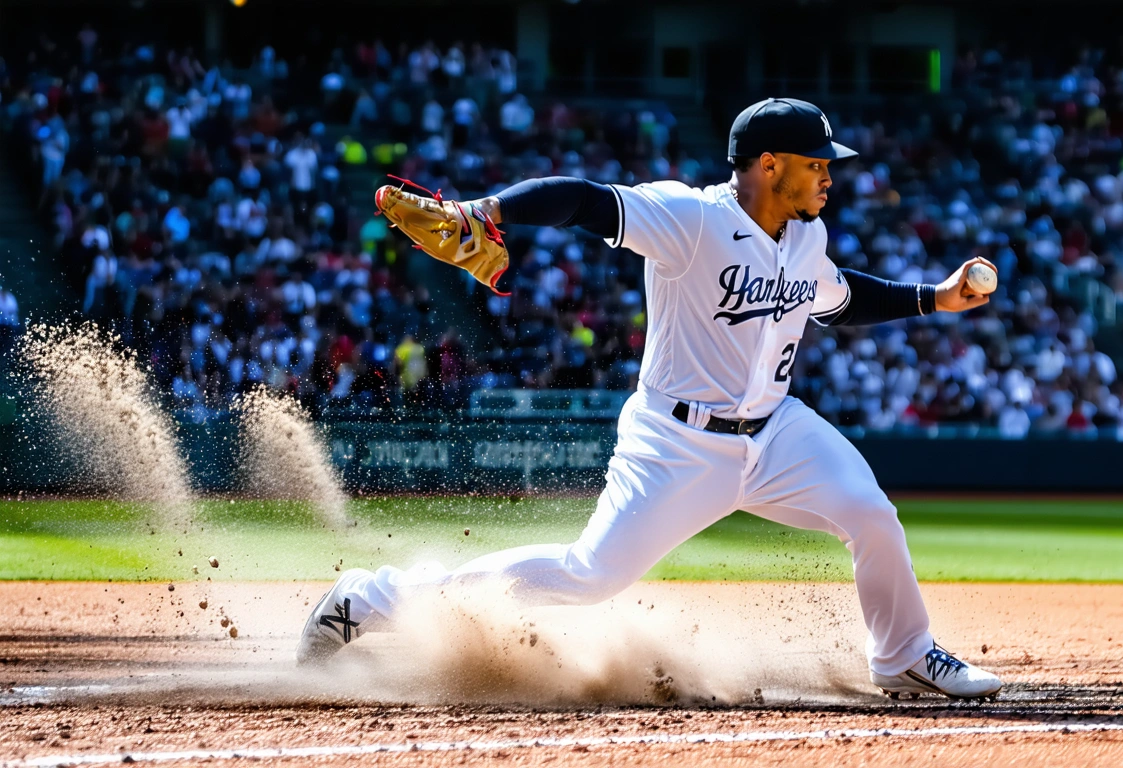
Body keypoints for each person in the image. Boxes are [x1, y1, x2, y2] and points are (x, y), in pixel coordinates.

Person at [297, 98, 1003, 700]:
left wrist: (934, 298)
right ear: (769, 166)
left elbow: (838, 298)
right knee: (587, 577)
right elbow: (582, 198)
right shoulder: (689, 220)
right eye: (816, 162)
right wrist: (486, 211)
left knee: (870, 513)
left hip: (779, 431)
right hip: (678, 443)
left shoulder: (806, 235)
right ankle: (374, 597)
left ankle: (905, 655)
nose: (828, 175)